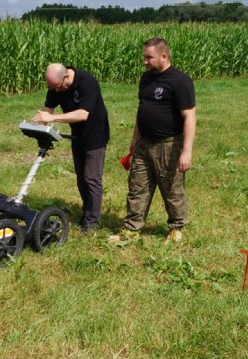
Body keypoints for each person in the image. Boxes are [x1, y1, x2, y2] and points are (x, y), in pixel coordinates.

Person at [113, 37, 196, 243]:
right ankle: (131, 229)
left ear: (164, 56)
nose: (145, 61)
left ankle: (176, 228)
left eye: (149, 57)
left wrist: (186, 151)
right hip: (144, 144)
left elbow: (189, 116)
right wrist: (134, 141)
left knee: (172, 189)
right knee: (137, 186)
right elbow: (142, 110)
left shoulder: (180, 81)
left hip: (169, 145)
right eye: (144, 57)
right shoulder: (146, 78)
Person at [32, 63, 110, 231]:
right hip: (78, 135)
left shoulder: (87, 82)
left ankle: (92, 222)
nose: (56, 91)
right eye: (52, 87)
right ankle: (86, 211)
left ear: (66, 77)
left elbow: (83, 114)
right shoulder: (56, 85)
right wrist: (41, 127)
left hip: (96, 134)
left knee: (92, 178)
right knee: (81, 177)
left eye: (57, 87)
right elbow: (49, 109)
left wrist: (53, 119)